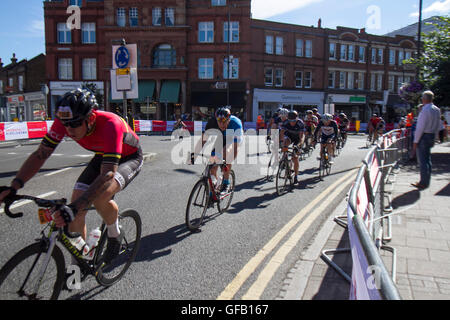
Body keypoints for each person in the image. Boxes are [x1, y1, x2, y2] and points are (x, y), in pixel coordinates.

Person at [0, 89, 143, 264]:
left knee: (99, 198)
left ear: (90, 119)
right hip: (102, 154)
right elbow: (41, 154)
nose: (68, 129)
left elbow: (107, 175)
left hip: (129, 157)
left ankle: (115, 234)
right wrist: (14, 186)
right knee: (76, 209)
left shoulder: (110, 124)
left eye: (74, 124)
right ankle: (81, 260)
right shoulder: (65, 122)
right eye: (65, 124)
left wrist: (76, 206)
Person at [191, 107, 243, 195]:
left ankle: (226, 183)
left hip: (233, 138)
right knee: (212, 165)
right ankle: (214, 188)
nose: (222, 124)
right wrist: (194, 155)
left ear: (229, 120)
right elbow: (203, 140)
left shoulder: (235, 124)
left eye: (224, 122)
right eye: (219, 122)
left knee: (226, 154)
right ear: (216, 120)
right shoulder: (212, 122)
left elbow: (232, 147)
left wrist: (225, 161)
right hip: (221, 138)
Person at [411, 91, 441, 190]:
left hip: (424, 136)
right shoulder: (436, 110)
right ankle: (426, 181)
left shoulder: (425, 110)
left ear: (424, 99)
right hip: (431, 135)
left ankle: (423, 182)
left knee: (422, 161)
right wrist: (436, 137)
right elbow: (438, 125)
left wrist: (415, 141)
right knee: (427, 160)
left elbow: (420, 127)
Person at [280, 111, 305, 184]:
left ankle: (296, 176)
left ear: (296, 119)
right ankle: (284, 159)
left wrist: (299, 145)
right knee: (285, 143)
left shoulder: (300, 123)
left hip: (298, 138)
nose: (292, 123)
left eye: (294, 121)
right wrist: (281, 143)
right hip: (289, 136)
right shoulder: (286, 122)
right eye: (290, 121)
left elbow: (302, 137)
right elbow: (281, 133)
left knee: (295, 157)